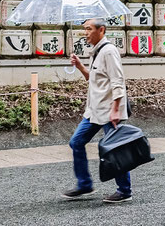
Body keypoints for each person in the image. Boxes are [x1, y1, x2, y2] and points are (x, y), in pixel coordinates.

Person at [63, 18, 131, 203]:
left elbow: (118, 82)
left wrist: (116, 110)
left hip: (109, 111)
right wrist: (79, 66)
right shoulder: (96, 51)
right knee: (76, 142)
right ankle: (85, 184)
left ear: (101, 30)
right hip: (93, 110)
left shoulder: (109, 51)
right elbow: (93, 79)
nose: (85, 33)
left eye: (89, 29)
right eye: (84, 29)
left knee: (115, 149)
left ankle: (124, 190)